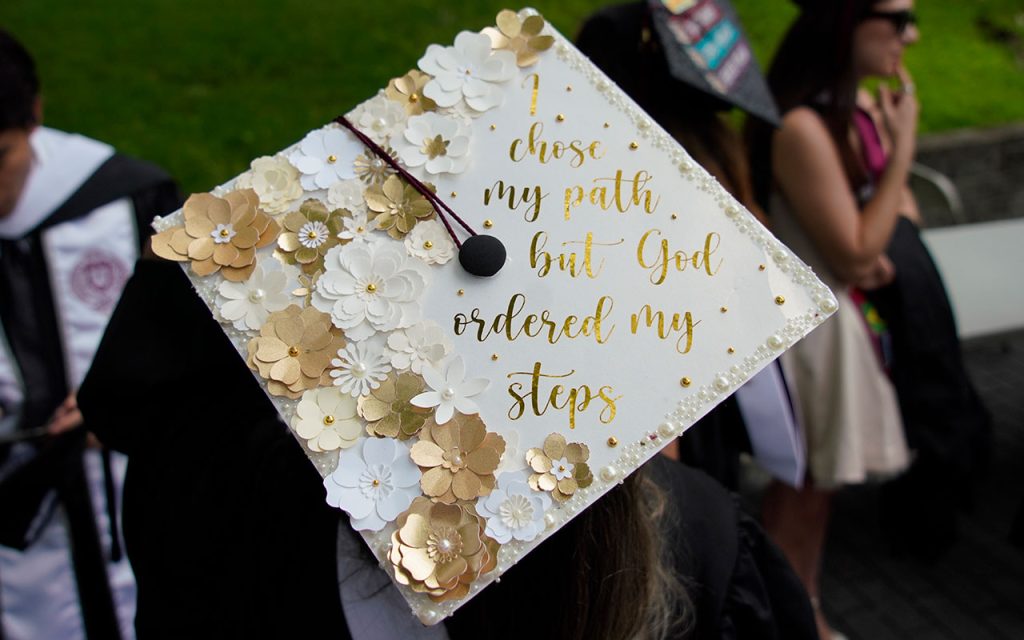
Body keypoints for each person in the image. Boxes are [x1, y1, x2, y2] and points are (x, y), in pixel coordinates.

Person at [745, 1, 950, 637]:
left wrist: (886, 172)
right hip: (814, 333)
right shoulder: (805, 125)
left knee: (820, 489)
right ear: (845, 22)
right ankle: (777, 618)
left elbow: (898, 216)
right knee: (800, 491)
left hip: (846, 320)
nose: (909, 35)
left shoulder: (854, 113)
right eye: (896, 17)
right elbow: (858, 247)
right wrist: (905, 144)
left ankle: (803, 605)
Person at [0, 29, 179, 639]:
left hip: (130, 492)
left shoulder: (126, 199)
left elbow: (196, 348)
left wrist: (131, 396)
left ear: (35, 119)